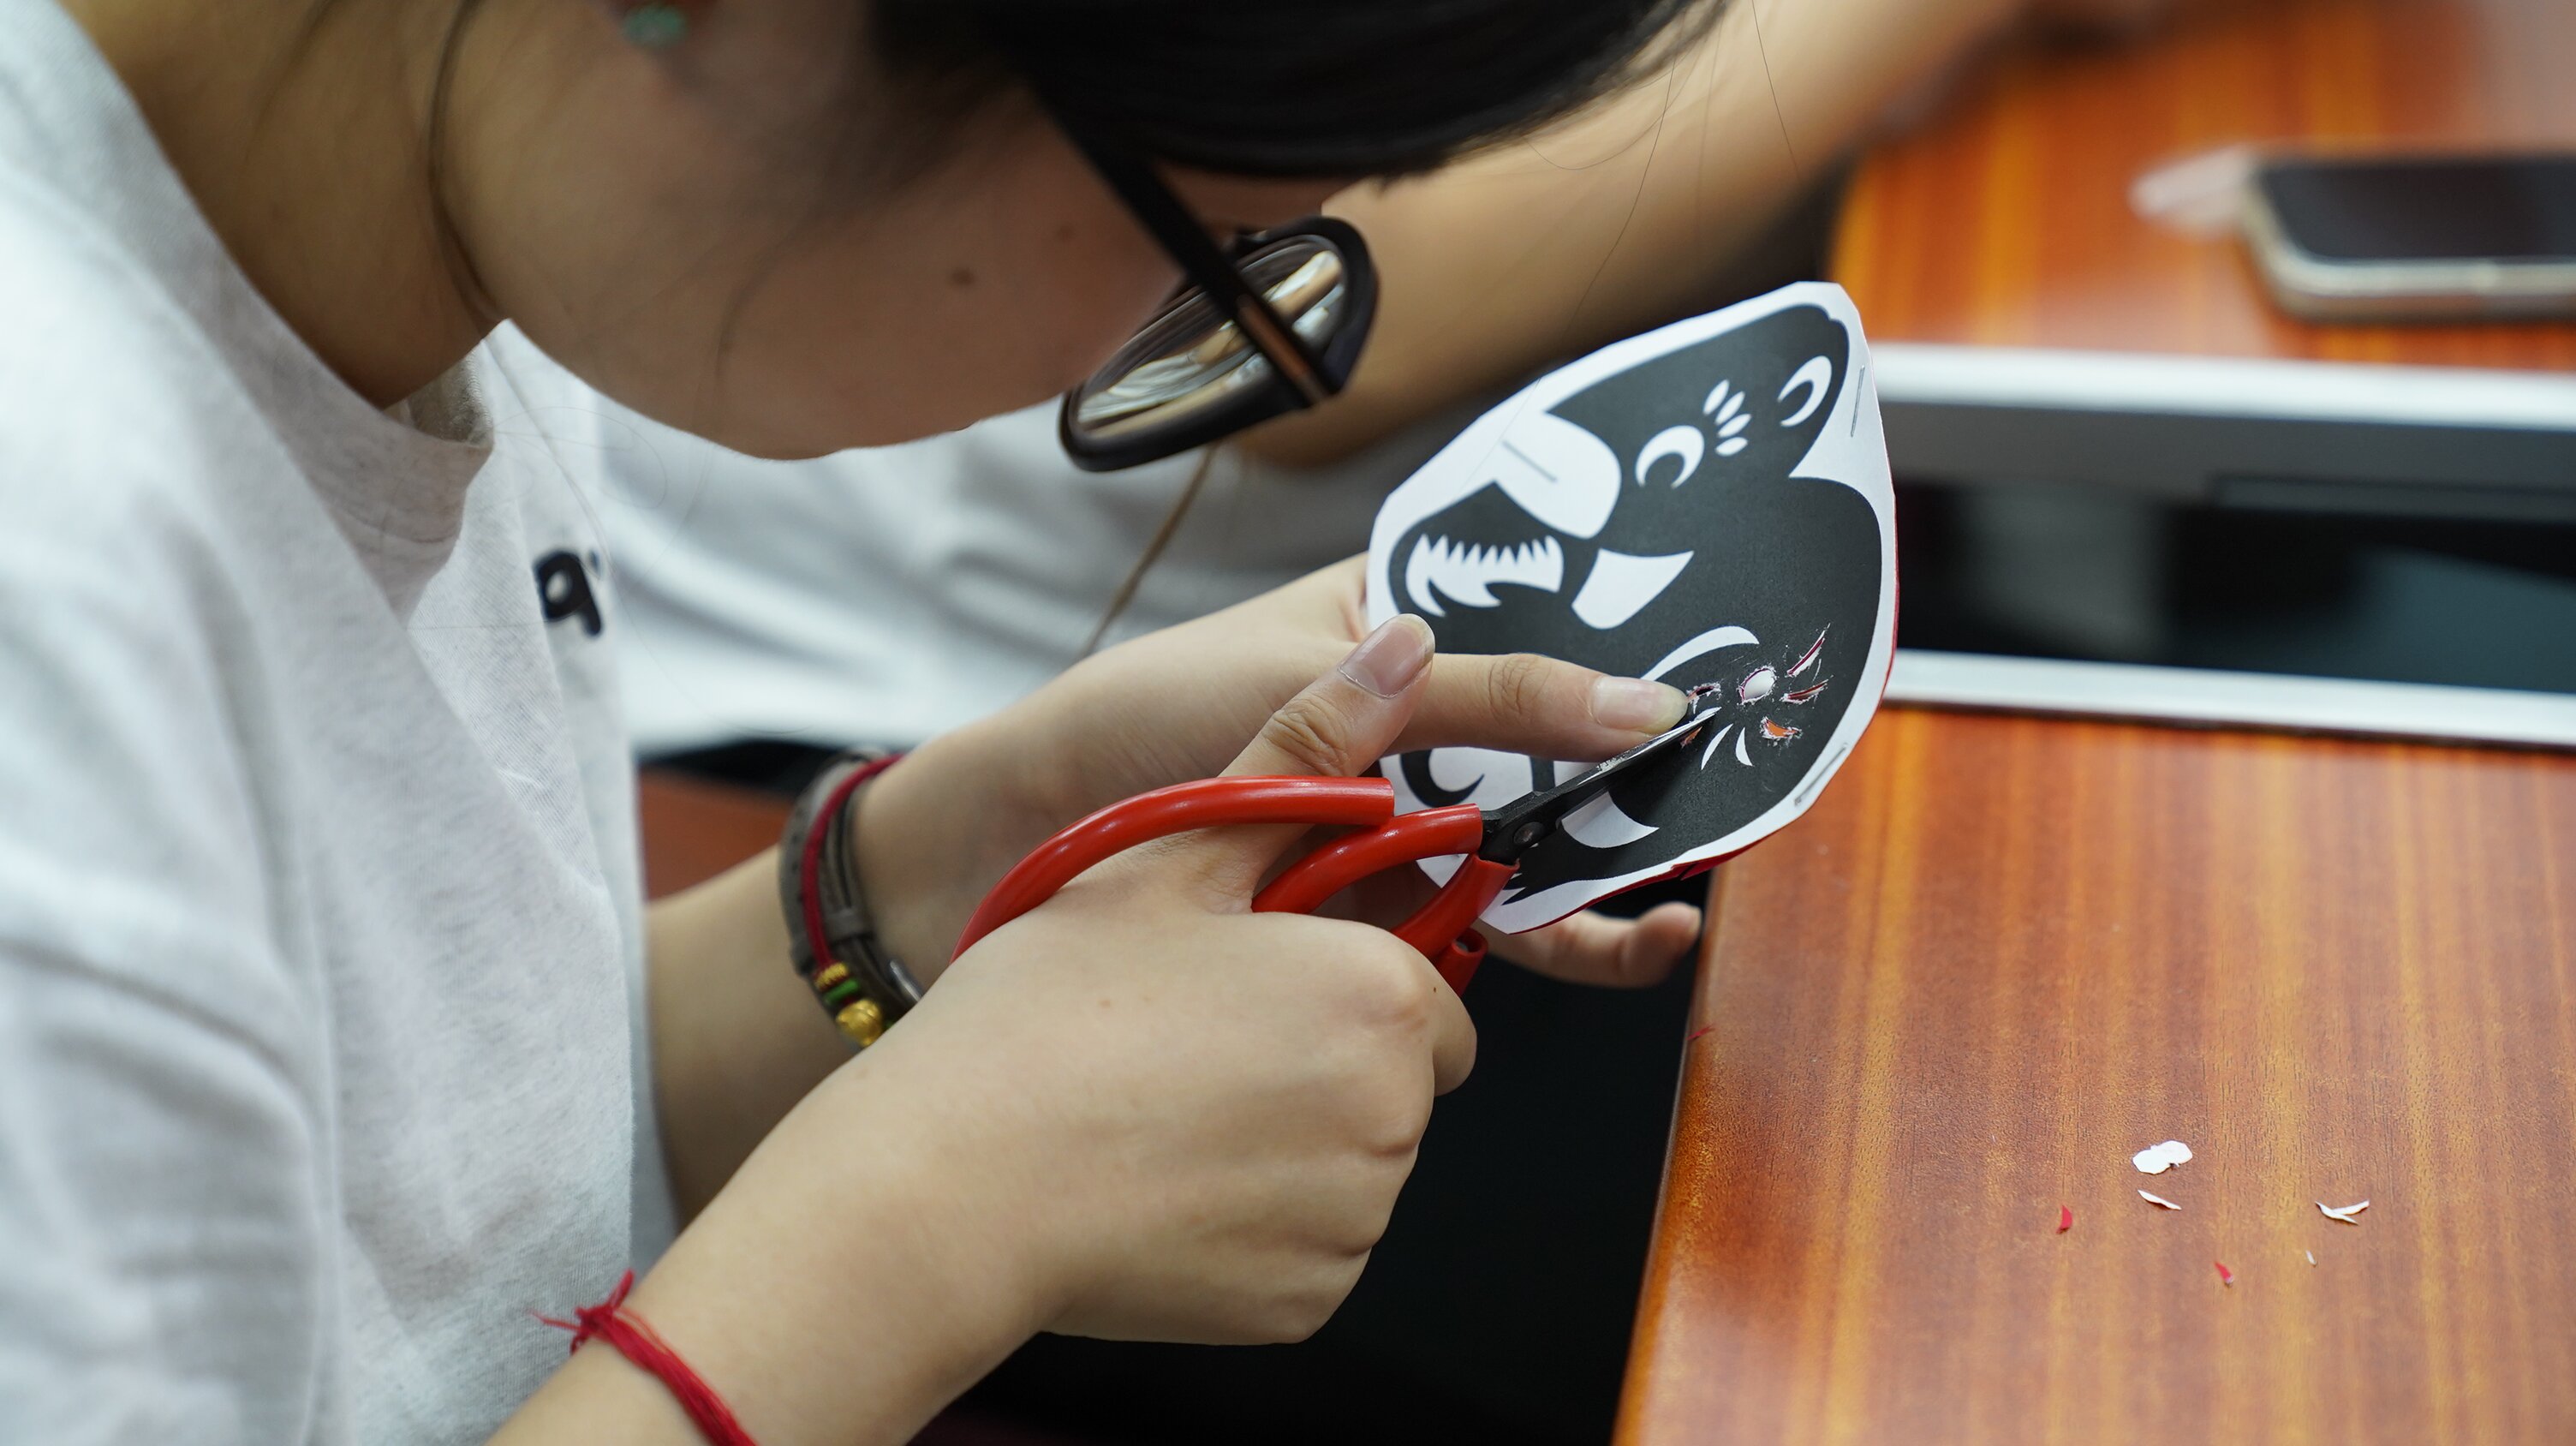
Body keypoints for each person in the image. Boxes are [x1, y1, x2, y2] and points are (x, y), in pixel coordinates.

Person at [0, 1, 1739, 1443]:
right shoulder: (58, 594)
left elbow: (446, 1197)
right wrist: (948, 1220)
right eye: (1202, 252)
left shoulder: (436, 236)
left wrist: (956, 844)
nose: (1121, 351)